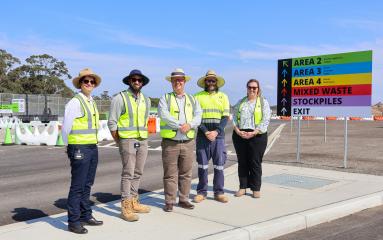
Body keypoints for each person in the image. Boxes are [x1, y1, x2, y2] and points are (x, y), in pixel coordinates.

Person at [62, 68, 103, 234]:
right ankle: (73, 221)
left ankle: (86, 214)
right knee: (77, 186)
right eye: (86, 81)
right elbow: (66, 128)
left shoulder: (91, 101)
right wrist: (70, 147)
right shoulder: (75, 102)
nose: (89, 84)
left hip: (92, 147)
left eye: (92, 81)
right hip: (79, 148)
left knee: (87, 184)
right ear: (80, 83)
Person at [108, 69, 151, 222]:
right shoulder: (120, 98)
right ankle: (126, 206)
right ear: (129, 81)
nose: (137, 82)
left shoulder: (146, 99)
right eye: (134, 80)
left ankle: (134, 201)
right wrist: (120, 141)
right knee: (128, 173)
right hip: (127, 140)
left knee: (138, 172)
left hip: (142, 140)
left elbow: (145, 120)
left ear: (143, 83)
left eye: (139, 80)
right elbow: (112, 122)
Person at [158, 68, 202, 212]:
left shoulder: (192, 99)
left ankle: (183, 199)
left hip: (188, 142)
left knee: (186, 173)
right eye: (175, 80)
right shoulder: (165, 98)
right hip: (171, 142)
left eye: (180, 80)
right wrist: (179, 126)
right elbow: (164, 115)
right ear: (171, 82)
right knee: (170, 173)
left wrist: (190, 125)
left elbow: (198, 115)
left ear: (185, 82)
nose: (178, 82)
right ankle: (169, 201)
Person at [194, 70, 231, 203]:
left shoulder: (223, 96)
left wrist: (216, 131)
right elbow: (196, 117)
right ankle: (201, 192)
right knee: (202, 165)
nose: (210, 83)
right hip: (202, 136)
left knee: (219, 165)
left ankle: (219, 192)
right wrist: (205, 131)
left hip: (218, 137)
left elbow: (225, 117)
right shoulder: (197, 96)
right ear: (205, 82)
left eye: (213, 81)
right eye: (208, 80)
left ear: (217, 82)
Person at [232, 79, 271, 198]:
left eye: (254, 87)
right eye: (250, 87)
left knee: (255, 162)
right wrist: (237, 131)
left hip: (257, 135)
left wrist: (255, 132)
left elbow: (266, 119)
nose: (252, 89)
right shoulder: (240, 102)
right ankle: (242, 187)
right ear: (247, 88)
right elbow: (234, 117)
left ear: (258, 89)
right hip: (240, 135)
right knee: (242, 162)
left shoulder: (263, 102)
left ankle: (255, 188)